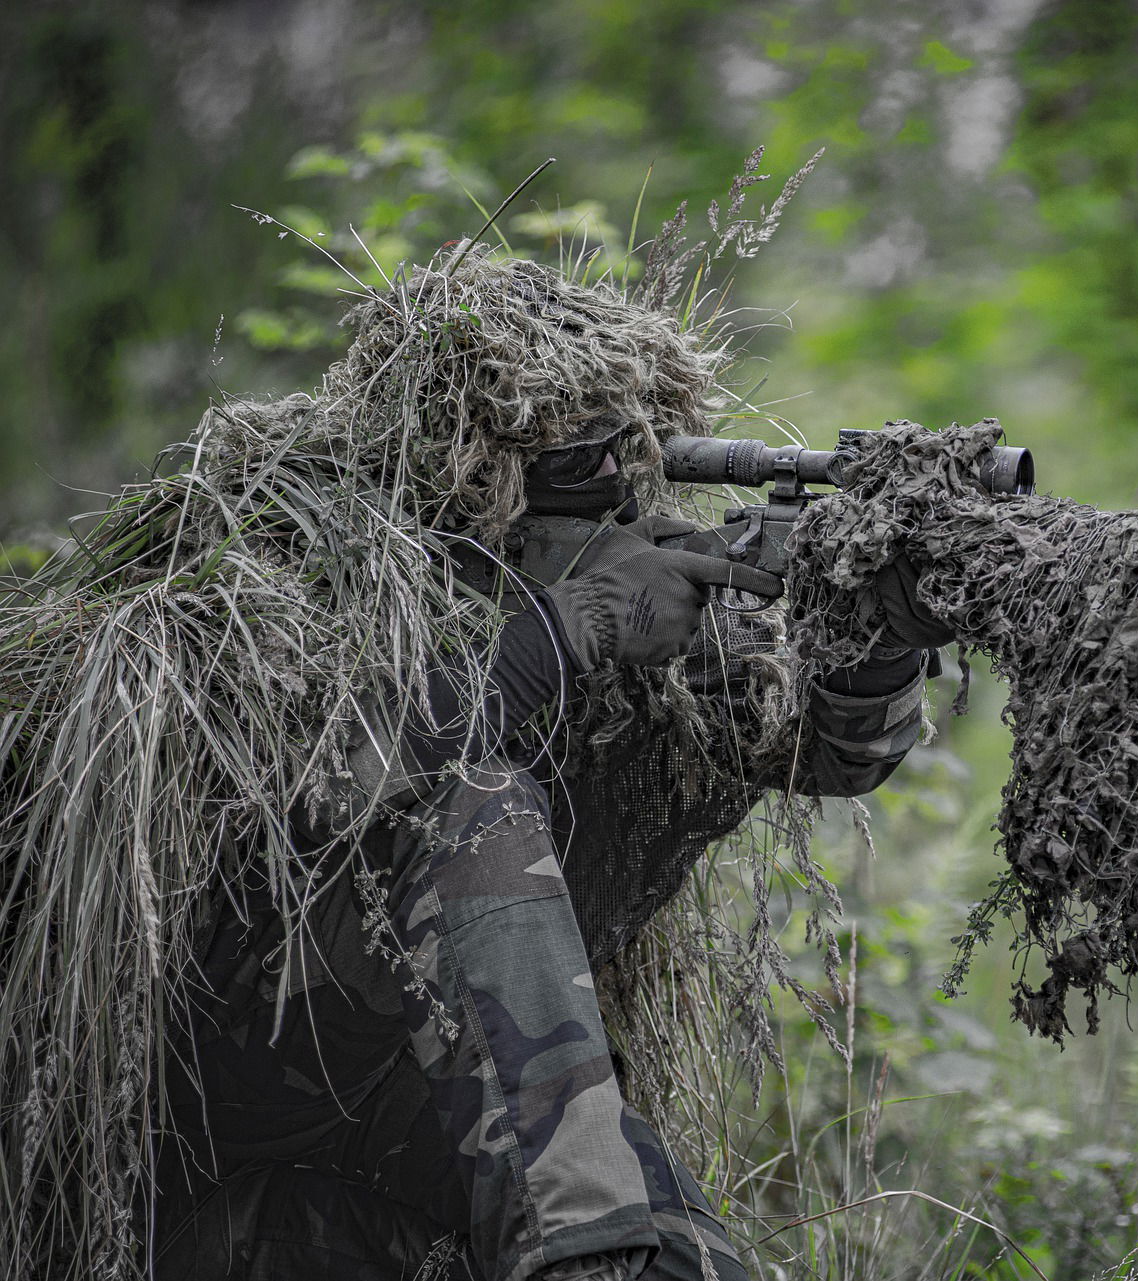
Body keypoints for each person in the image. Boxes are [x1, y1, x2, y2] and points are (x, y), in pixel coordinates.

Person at [151, 415, 953, 1281]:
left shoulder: (637, 579)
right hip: (214, 1141)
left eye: (625, 442)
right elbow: (325, 790)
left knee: (683, 1260)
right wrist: (561, 632)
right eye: (573, 451)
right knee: (479, 805)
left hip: (419, 1108)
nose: (612, 467)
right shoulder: (334, 568)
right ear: (475, 470)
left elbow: (824, 751)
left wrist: (878, 644)